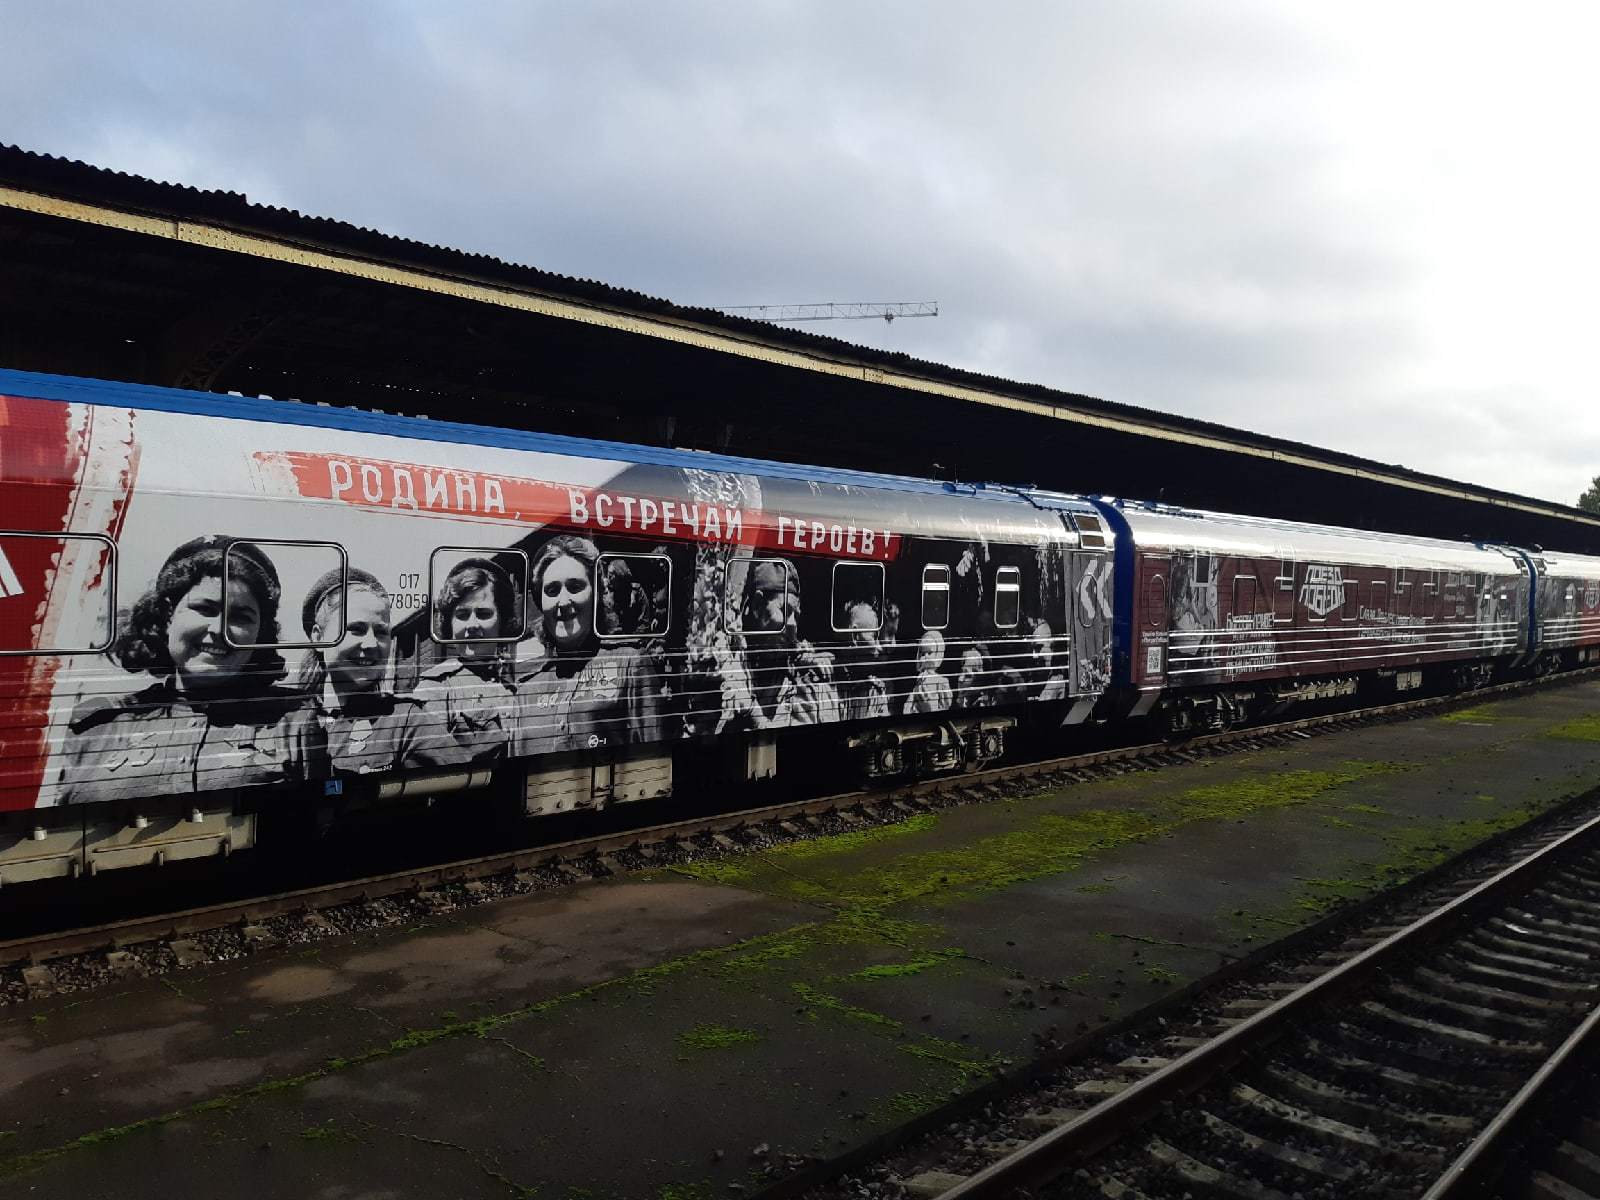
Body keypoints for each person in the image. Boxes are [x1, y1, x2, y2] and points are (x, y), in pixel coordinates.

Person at [55, 535, 305, 803]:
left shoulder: (296, 720)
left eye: (241, 617)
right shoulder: (97, 724)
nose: (220, 630)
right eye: (204, 609)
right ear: (166, 617)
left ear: (260, 633)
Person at [284, 568, 460, 777]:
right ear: (318, 637)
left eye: (381, 632)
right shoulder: (286, 721)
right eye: (356, 629)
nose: (370, 643)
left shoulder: (405, 722)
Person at [516, 534, 662, 754]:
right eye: (552, 590)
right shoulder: (527, 685)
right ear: (540, 601)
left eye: (575, 587)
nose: (563, 602)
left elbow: (653, 762)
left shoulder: (630, 665)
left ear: (595, 594)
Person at [412, 557, 521, 764]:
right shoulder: (437, 686)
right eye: (462, 614)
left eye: (483, 613)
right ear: (450, 626)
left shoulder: (518, 680)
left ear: (502, 621)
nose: (472, 625)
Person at [714, 558, 840, 730]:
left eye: (796, 615)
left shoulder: (805, 675)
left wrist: (752, 712)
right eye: (785, 611)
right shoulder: (725, 664)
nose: (793, 623)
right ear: (757, 606)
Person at [904, 629, 953, 714]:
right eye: (923, 654)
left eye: (929, 653)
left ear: (938, 654)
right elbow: (909, 702)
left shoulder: (942, 682)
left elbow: (945, 707)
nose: (926, 657)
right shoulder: (919, 681)